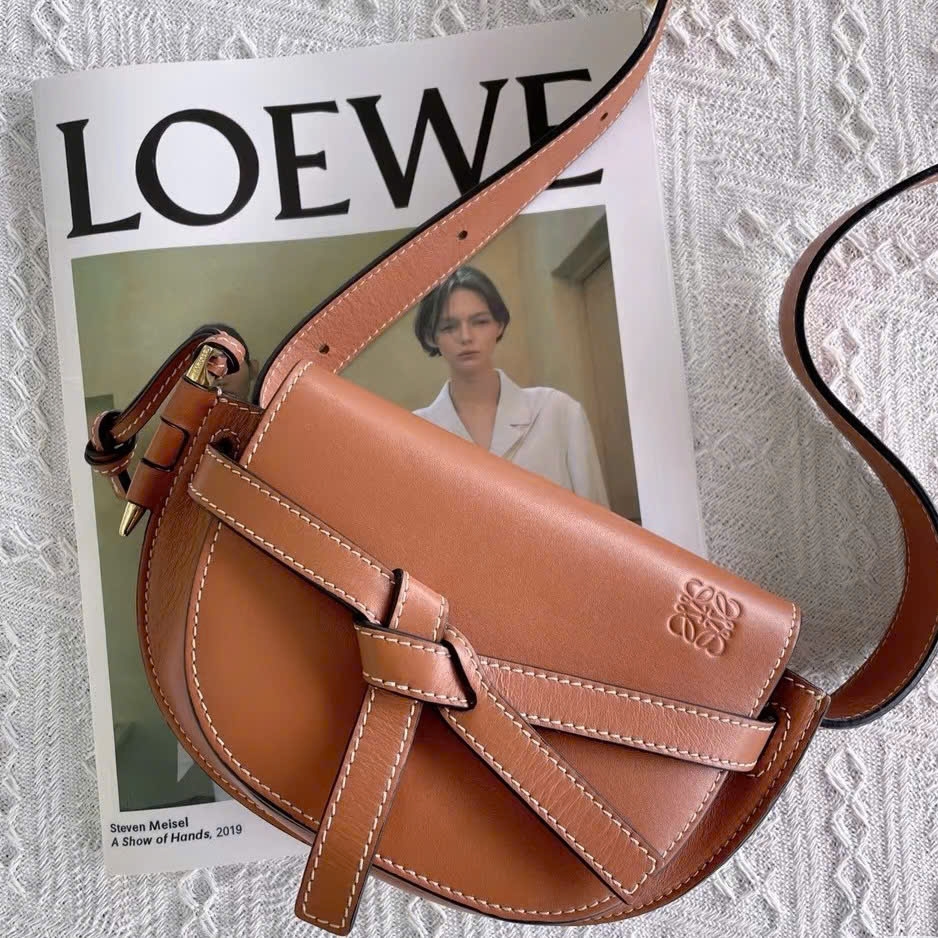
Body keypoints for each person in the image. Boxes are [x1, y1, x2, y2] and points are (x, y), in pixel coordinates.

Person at [412, 265, 610, 509]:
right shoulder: (414, 433)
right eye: (449, 326)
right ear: (431, 336)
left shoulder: (558, 412)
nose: (466, 336)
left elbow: (598, 520)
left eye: (480, 322)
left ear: (499, 325)